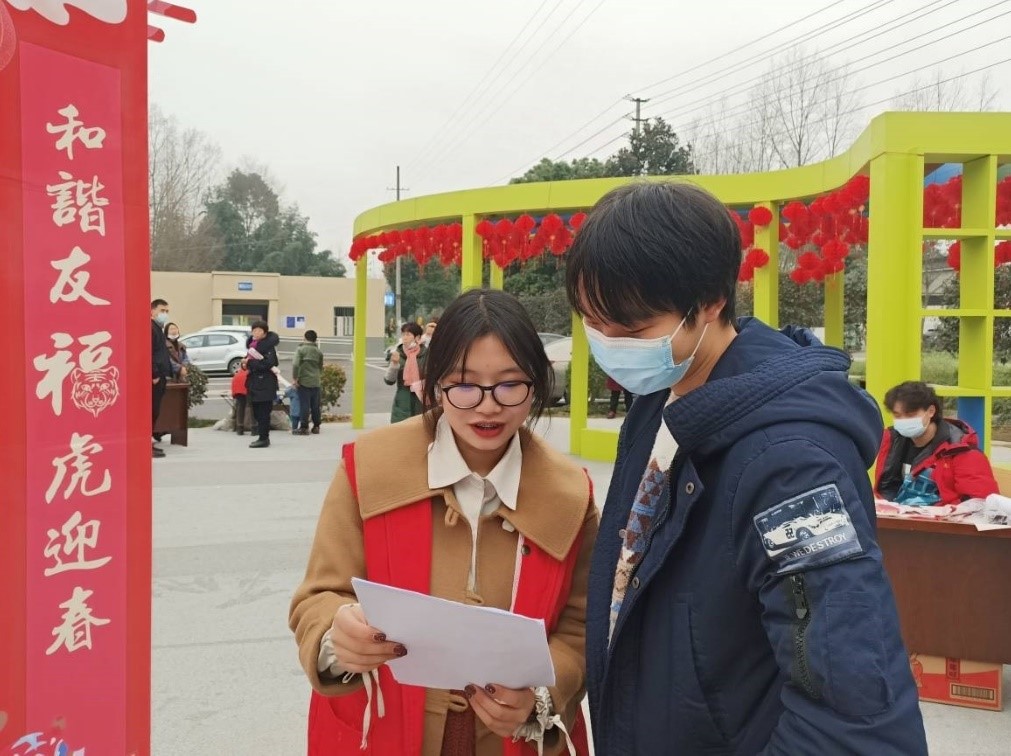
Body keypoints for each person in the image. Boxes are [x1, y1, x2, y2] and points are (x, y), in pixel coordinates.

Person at [564, 183, 926, 755]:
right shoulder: (659, 398)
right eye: (591, 321)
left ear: (710, 302)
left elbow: (849, 714)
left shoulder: (792, 467)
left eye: (631, 330)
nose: (608, 343)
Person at [290, 288, 598, 755]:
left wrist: (540, 697)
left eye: (510, 384)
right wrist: (337, 635)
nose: (488, 406)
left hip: (510, 741)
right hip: (384, 733)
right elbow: (319, 594)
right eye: (465, 385)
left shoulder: (571, 495)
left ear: (537, 384)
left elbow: (581, 627)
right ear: (435, 386)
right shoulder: (369, 468)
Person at [875, 380, 998, 505]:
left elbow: (979, 502)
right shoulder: (892, 442)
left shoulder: (962, 450)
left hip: (942, 515)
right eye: (897, 415)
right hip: (895, 513)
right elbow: (886, 490)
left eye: (910, 414)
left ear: (931, 411)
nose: (903, 420)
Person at [245, 320, 280, 448]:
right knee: (257, 412)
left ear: (265, 332)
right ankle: (262, 436)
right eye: (254, 330)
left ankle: (264, 438)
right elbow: (249, 361)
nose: (256, 332)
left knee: (263, 412)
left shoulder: (268, 346)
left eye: (259, 330)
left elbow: (269, 363)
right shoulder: (253, 346)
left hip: (265, 383)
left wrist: (250, 363)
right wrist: (245, 363)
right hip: (255, 383)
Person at [385, 322, 427, 423]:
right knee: (401, 430)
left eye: (408, 334)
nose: (404, 337)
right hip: (402, 401)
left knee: (420, 429)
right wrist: (394, 364)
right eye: (403, 334)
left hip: (421, 400)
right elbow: (389, 380)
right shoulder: (397, 354)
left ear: (417, 337)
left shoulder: (427, 354)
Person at [151, 299, 173, 459]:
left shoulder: (158, 328)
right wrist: (154, 374)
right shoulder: (151, 328)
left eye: (166, 311)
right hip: (155, 377)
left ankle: (150, 442)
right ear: (152, 311)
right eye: (162, 310)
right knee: (150, 411)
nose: (164, 314)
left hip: (161, 376)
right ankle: (146, 445)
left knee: (155, 411)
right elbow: (149, 353)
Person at [293, 329, 325, 435]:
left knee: (305, 405)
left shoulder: (300, 350)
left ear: (305, 338)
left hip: (304, 381)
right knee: (315, 405)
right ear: (315, 339)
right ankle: (316, 426)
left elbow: (295, 364)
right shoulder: (319, 352)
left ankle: (304, 427)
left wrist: (295, 378)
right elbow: (320, 367)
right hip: (316, 381)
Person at [231, 362, 249, 436]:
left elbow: (234, 384)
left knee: (240, 410)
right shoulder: (250, 373)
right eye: (243, 364)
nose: (244, 365)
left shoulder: (238, 374)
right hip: (247, 393)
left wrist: (234, 394)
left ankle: (240, 428)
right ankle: (253, 428)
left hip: (239, 393)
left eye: (245, 364)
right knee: (251, 409)